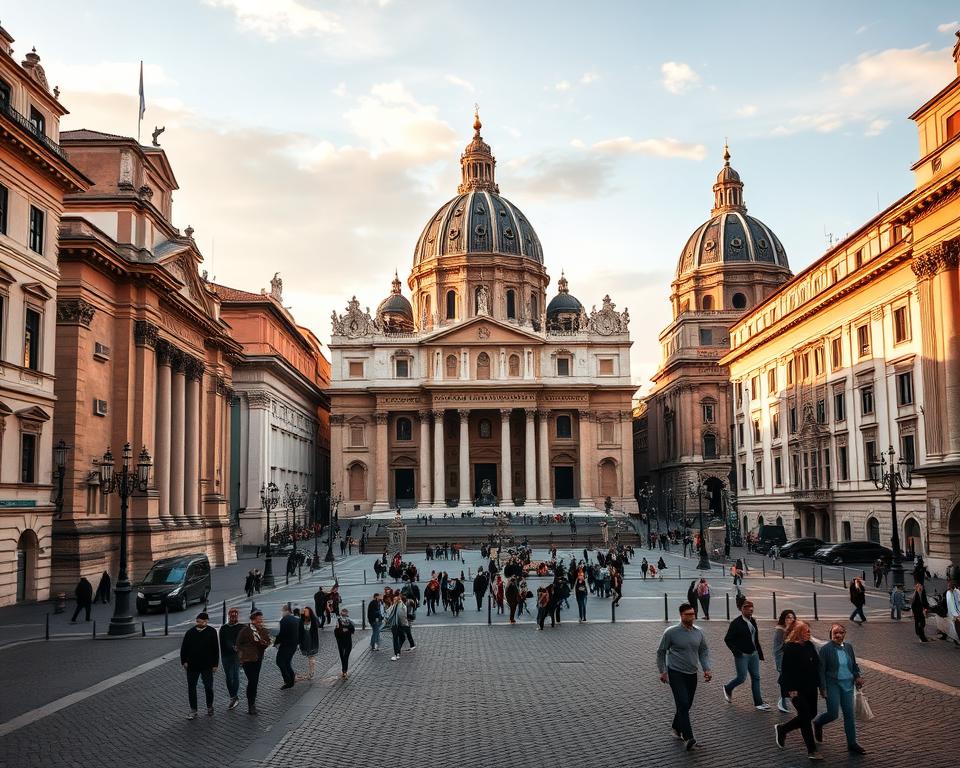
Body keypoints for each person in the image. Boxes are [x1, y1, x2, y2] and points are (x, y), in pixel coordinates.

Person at [656, 602, 712, 751]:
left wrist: (706, 668)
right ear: (681, 615)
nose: (692, 617)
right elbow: (661, 652)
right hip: (676, 673)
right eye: (688, 614)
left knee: (686, 705)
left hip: (692, 673)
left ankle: (676, 727)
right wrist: (662, 671)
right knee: (683, 703)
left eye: (693, 614)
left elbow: (703, 651)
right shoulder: (671, 632)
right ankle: (689, 738)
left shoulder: (699, 632)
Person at [812, 623, 866, 755]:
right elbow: (821, 670)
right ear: (831, 634)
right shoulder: (825, 649)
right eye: (835, 632)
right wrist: (822, 688)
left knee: (849, 715)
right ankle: (818, 722)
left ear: (844, 634)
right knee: (833, 714)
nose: (838, 635)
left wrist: (857, 676)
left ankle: (852, 743)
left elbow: (853, 665)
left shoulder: (848, 647)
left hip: (848, 684)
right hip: (832, 684)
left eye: (841, 632)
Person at [774, 620, 823, 761]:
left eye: (809, 631)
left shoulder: (809, 645)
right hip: (795, 689)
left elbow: (816, 664)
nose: (809, 633)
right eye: (806, 631)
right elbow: (786, 671)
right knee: (805, 716)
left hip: (810, 686)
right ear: (799, 632)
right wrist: (791, 690)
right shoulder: (790, 648)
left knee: (812, 713)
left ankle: (783, 729)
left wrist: (820, 686)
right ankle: (812, 750)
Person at [722, 600, 770, 710]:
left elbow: (755, 638)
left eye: (752, 607)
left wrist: (759, 652)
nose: (750, 609)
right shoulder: (736, 623)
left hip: (754, 654)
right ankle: (728, 687)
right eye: (747, 607)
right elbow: (727, 639)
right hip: (742, 655)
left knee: (756, 677)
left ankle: (758, 703)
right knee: (741, 677)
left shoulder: (753, 621)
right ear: (741, 609)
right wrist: (737, 652)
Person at [180, 611, 219, 719]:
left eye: (202, 621)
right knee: (191, 687)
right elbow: (184, 648)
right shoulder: (190, 632)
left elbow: (215, 649)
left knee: (208, 687)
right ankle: (193, 710)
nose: (199, 623)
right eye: (198, 621)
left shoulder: (211, 632)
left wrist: (215, 664)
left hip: (207, 665)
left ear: (206, 621)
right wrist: (184, 661)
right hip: (192, 665)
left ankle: (209, 706)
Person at [237, 610, 271, 715]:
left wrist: (264, 643)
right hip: (247, 659)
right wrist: (243, 654)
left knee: (254, 681)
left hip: (258, 659)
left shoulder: (263, 630)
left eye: (261, 620)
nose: (261, 622)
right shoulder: (245, 631)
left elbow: (268, 642)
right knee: (252, 680)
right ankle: (251, 705)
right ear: (253, 621)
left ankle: (252, 704)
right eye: (259, 620)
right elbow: (238, 644)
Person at [218, 607, 244, 710]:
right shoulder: (224, 628)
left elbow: (244, 641)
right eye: (231, 615)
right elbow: (223, 641)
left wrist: (239, 649)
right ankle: (233, 696)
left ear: (237, 616)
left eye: (235, 615)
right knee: (228, 677)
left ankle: (234, 697)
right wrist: (232, 646)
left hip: (236, 656)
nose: (233, 617)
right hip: (225, 655)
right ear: (229, 616)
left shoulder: (241, 627)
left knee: (235, 675)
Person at [772, 609, 797, 713]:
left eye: (792, 617)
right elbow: (777, 649)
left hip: (791, 660)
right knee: (786, 681)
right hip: (783, 660)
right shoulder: (780, 631)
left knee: (787, 681)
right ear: (783, 619)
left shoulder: (793, 629)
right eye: (788, 617)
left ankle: (783, 701)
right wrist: (780, 663)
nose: (790, 619)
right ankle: (782, 702)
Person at [273, 604, 299, 689]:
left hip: (285, 645)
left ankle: (288, 680)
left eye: (282, 611)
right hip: (293, 645)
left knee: (280, 662)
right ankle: (291, 679)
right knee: (287, 662)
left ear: (286, 611)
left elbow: (280, 633)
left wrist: (276, 643)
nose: (282, 613)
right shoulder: (296, 619)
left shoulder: (284, 620)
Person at [298, 606, 320, 680]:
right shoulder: (302, 620)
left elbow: (318, 624)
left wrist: (313, 619)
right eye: (304, 611)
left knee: (311, 657)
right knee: (309, 657)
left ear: (310, 611)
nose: (305, 612)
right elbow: (299, 630)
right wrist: (301, 615)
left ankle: (311, 672)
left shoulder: (314, 619)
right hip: (305, 641)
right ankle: (311, 672)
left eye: (307, 611)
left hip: (312, 640)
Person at [334, 608, 355, 678]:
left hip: (348, 641)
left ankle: (344, 670)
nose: (344, 616)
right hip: (340, 641)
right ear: (341, 614)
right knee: (342, 656)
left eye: (346, 614)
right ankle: (344, 670)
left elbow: (352, 630)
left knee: (346, 656)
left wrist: (347, 629)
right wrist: (340, 629)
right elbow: (336, 633)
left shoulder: (350, 621)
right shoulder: (338, 621)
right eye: (343, 614)